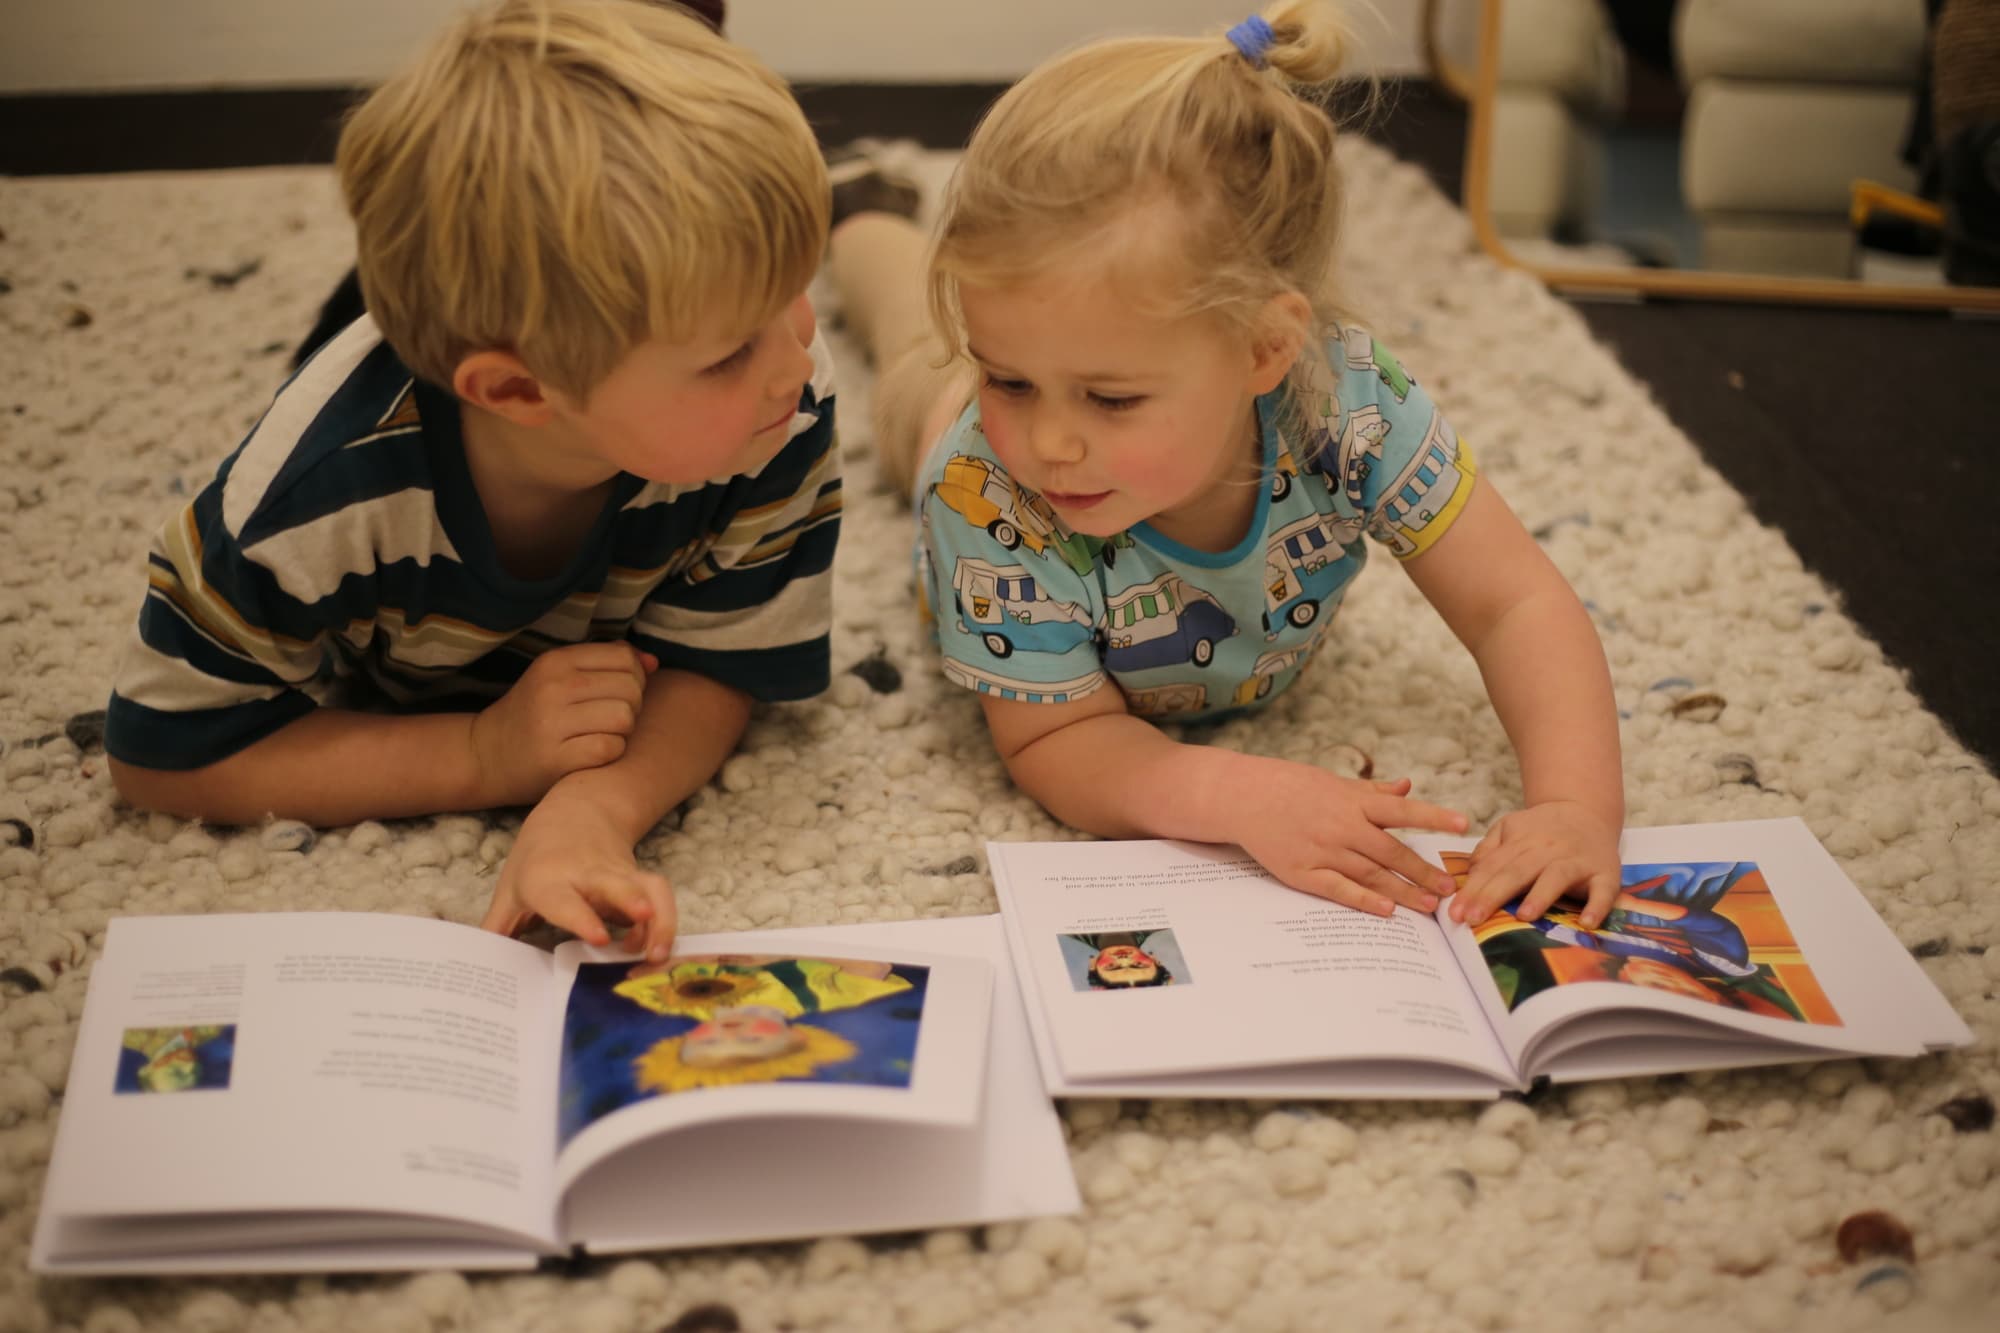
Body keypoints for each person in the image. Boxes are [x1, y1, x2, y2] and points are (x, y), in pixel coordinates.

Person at [826, 1, 1625, 929]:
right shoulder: (990, 480)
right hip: (937, 426)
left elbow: (1514, 601)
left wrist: (1575, 807)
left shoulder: (1351, 406)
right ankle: (862, 218)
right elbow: (1058, 737)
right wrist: (1239, 795)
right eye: (1013, 380)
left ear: (1265, 349)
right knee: (917, 352)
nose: (1050, 442)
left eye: (1111, 397)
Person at [103, 0, 841, 964]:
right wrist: (480, 755)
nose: (797, 355)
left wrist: (593, 808)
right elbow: (165, 748)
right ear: (519, 388)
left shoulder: (775, 407)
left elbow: (722, 660)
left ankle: (865, 232)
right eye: (728, 351)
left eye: (796, 289)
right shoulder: (306, 501)